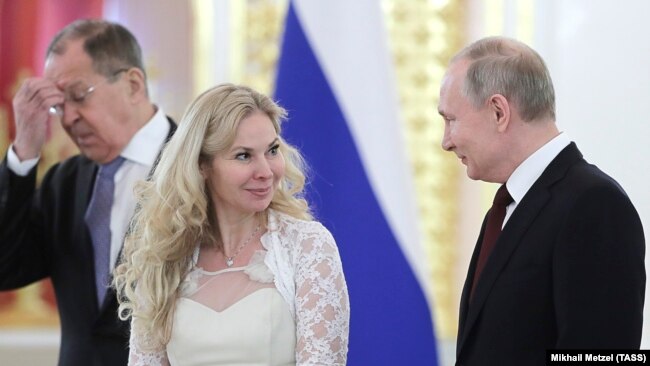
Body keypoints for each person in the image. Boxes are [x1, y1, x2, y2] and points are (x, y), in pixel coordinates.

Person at [438, 36, 645, 366]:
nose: (446, 141)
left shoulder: (594, 205)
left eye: (451, 120)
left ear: (498, 112)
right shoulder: (508, 206)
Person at [113, 83, 350, 365]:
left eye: (272, 150)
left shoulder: (307, 247)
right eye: (244, 156)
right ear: (202, 165)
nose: (265, 171)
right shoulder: (165, 257)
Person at [0, 19, 176, 365]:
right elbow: (6, 269)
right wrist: (22, 156)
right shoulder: (63, 183)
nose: (68, 119)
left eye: (78, 96)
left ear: (133, 84)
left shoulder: (199, 166)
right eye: (58, 105)